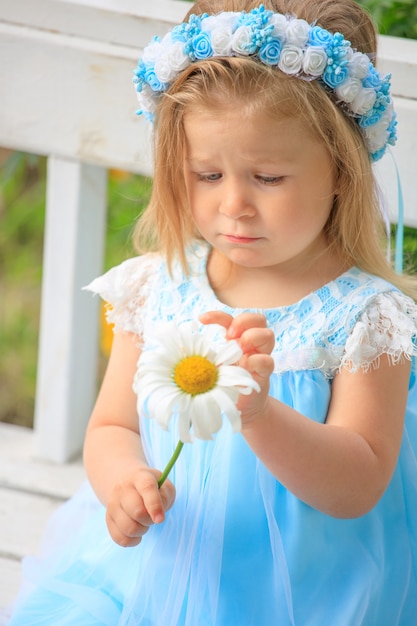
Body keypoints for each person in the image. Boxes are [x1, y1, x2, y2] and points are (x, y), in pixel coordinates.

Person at [7, 1, 417, 624]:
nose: (234, 205)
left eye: (269, 177)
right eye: (207, 174)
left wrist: (259, 412)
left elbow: (358, 484)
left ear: (341, 170)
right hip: (162, 571)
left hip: (305, 594)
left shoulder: (367, 317)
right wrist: (125, 485)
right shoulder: (160, 286)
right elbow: (113, 427)